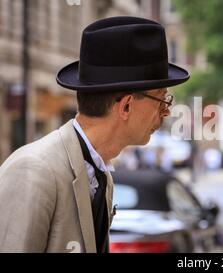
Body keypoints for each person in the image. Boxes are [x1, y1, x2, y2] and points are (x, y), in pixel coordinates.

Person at [0, 16, 189, 253]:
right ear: (126, 106)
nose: (167, 110)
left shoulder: (99, 172)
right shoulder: (34, 170)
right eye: (162, 99)